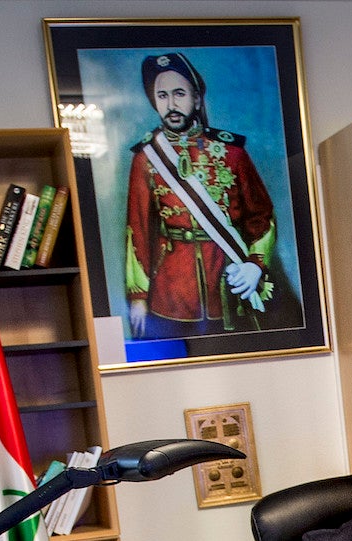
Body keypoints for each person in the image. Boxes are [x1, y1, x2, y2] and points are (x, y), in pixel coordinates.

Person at [123, 51, 279, 341]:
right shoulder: (146, 158)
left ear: (196, 99)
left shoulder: (232, 152)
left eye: (179, 94)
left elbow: (263, 217)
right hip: (172, 293)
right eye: (162, 96)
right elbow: (138, 231)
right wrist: (138, 297)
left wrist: (255, 266)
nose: (171, 104)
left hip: (228, 283)